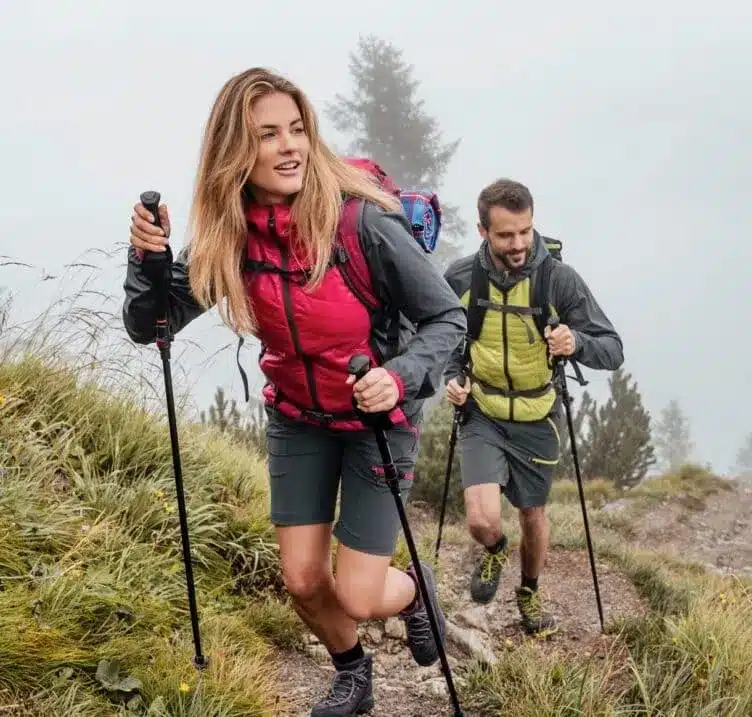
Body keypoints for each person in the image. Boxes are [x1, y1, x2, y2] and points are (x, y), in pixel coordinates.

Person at [123, 67, 466, 717]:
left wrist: (398, 376)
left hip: (376, 418)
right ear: (234, 153)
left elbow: (447, 316)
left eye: (297, 129)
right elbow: (154, 324)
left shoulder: (360, 224)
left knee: (361, 592)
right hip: (299, 417)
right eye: (267, 136)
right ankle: (353, 673)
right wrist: (147, 261)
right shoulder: (232, 233)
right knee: (304, 581)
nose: (289, 146)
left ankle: (414, 591)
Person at [442, 178, 623, 636]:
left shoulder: (558, 280)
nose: (519, 243)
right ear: (483, 231)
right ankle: (495, 549)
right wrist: (451, 377)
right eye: (506, 235)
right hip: (483, 411)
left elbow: (613, 349)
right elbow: (440, 333)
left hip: (537, 416)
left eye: (525, 231)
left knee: (533, 514)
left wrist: (574, 341)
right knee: (482, 521)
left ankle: (529, 591)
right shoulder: (462, 278)